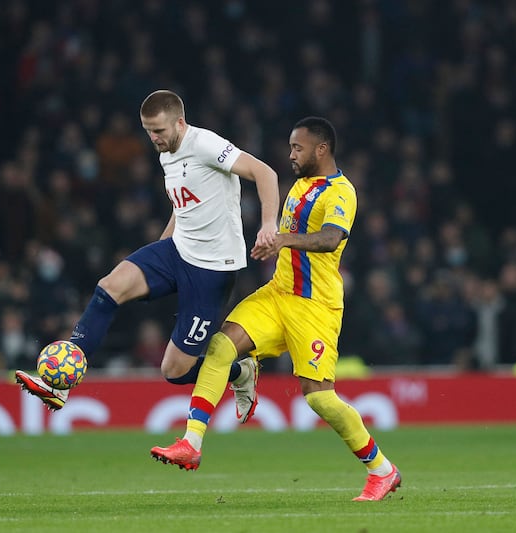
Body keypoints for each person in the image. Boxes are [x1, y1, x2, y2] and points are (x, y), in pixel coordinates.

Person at [150, 117, 401, 502]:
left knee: (319, 397)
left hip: (314, 306)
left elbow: (331, 239)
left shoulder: (341, 192)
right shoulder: (300, 185)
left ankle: (382, 470)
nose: (291, 155)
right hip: (277, 294)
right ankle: (191, 442)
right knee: (220, 346)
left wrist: (281, 239)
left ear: (322, 149)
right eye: (289, 147)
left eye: (297, 148)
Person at [16, 90, 280, 413]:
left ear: (180, 123)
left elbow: (266, 173)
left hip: (213, 269)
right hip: (178, 251)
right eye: (148, 131)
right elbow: (183, 206)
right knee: (109, 286)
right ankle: (61, 384)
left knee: (174, 371)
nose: (153, 138)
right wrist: (159, 249)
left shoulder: (206, 145)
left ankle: (241, 372)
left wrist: (269, 225)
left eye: (159, 130)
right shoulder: (166, 151)